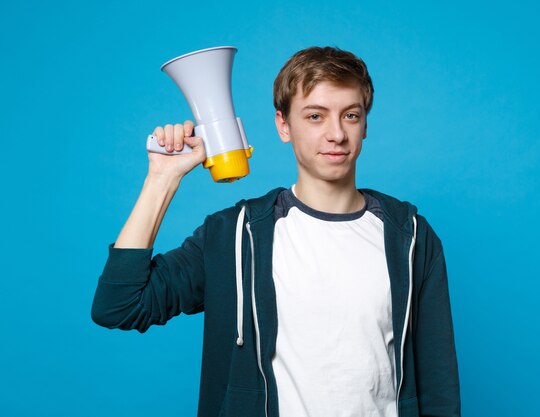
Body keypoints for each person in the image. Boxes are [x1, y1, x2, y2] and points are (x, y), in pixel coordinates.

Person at [92, 46, 460, 417]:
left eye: (350, 115)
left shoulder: (409, 235)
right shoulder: (233, 234)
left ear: (364, 124)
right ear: (283, 126)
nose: (336, 134)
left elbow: (438, 382)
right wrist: (161, 179)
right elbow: (119, 306)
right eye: (315, 116)